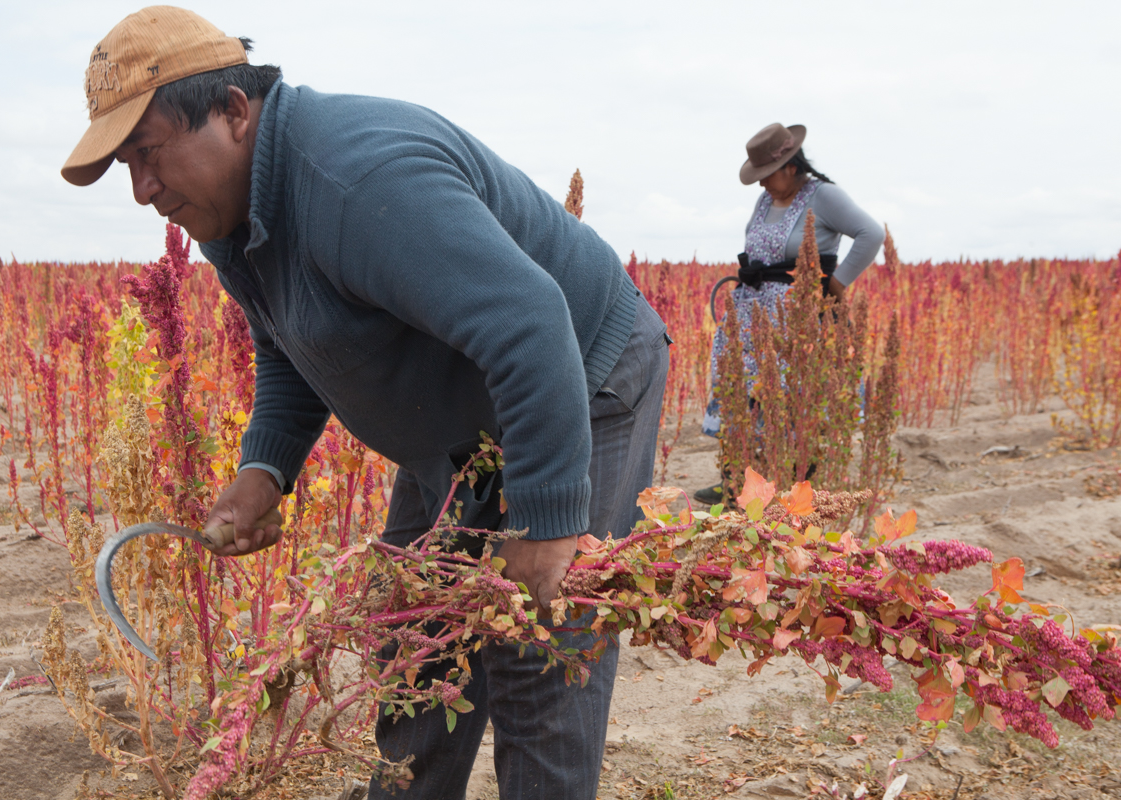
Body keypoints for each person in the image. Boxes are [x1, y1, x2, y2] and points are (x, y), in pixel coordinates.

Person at [61, 7, 668, 800]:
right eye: (125, 170)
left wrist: (548, 516)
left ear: (234, 113)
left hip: (582, 379)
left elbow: (530, 324)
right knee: (420, 645)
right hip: (457, 428)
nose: (143, 191)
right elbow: (290, 345)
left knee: (540, 653)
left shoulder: (357, 180)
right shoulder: (230, 216)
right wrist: (265, 467)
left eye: (148, 154)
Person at [694, 123, 884, 505]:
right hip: (751, 313)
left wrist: (836, 283)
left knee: (791, 397)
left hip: (796, 319)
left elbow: (871, 233)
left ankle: (792, 489)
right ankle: (735, 481)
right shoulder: (767, 199)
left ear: (791, 167)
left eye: (767, 176)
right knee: (742, 392)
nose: (762, 185)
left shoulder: (823, 195)